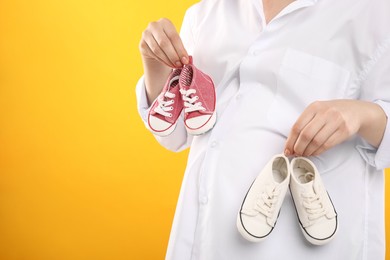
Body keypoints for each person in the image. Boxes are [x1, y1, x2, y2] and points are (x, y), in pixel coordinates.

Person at [135, 0, 390, 259]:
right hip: (205, 235)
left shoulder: (376, 13)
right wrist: (155, 65)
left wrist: (364, 115)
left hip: (303, 245)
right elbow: (176, 135)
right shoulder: (205, 14)